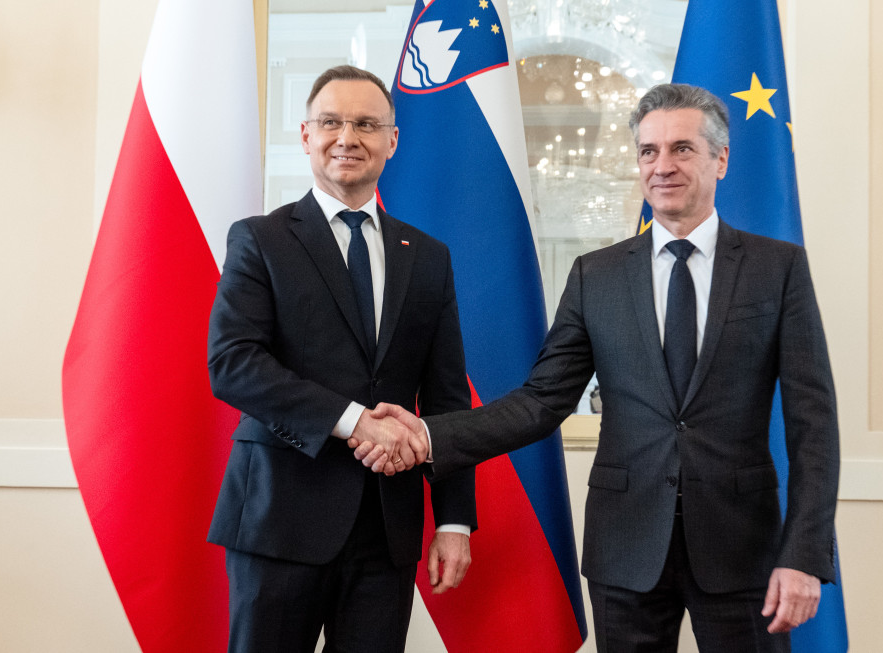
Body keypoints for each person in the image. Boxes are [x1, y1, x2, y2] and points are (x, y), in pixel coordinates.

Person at [357, 83, 840, 652]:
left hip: (743, 549)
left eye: (682, 149)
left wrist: (804, 556)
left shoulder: (777, 269)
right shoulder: (597, 275)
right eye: (648, 151)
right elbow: (541, 401)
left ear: (721, 159)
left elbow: (814, 425)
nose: (663, 166)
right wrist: (427, 433)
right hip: (625, 548)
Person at [206, 65, 476, 653]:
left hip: (387, 530)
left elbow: (449, 397)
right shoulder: (260, 240)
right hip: (279, 520)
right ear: (305, 135)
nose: (347, 137)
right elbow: (233, 362)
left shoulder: (428, 257)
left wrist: (454, 520)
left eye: (366, 124)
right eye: (331, 122)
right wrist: (356, 420)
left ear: (391, 141)